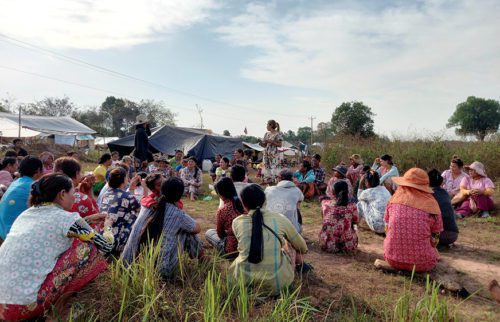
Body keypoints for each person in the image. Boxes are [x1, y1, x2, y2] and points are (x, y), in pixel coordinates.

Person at [0, 173, 113, 321]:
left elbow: (54, 230)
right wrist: (108, 228)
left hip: (3, 303)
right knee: (88, 249)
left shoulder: (27, 214)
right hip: (22, 306)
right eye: (73, 192)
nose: (75, 196)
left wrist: (88, 220)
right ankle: (60, 312)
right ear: (62, 194)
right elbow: (106, 246)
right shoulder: (68, 218)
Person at [229, 184, 308, 295]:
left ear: (243, 203)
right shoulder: (280, 219)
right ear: (265, 200)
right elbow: (302, 248)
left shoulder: (237, 222)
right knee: (289, 244)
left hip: (242, 284)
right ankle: (298, 270)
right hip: (278, 286)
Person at [121, 177, 203, 278]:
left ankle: (203, 258)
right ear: (180, 195)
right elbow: (197, 229)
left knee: (182, 228)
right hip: (160, 273)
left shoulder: (146, 205)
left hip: (129, 264)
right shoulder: (178, 214)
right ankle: (203, 259)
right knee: (187, 232)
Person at [383, 168, 443, 272]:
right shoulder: (432, 205)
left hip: (392, 259)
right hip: (423, 264)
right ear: (425, 185)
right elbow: (435, 239)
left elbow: (387, 228)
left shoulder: (393, 200)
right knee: (434, 251)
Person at [0, 156, 43, 240]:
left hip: (2, 229)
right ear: (38, 170)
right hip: (11, 235)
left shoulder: (17, 182)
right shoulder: (32, 187)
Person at [100, 168, 141, 253]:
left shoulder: (106, 194)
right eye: (127, 177)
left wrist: (131, 188)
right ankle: (127, 245)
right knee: (136, 213)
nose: (128, 179)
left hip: (104, 234)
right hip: (117, 239)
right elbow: (139, 209)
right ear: (123, 180)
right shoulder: (128, 196)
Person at [54, 157, 104, 223]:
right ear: (77, 173)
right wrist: (89, 192)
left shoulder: (49, 192)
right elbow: (98, 218)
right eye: (80, 173)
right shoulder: (81, 198)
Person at [205, 177, 244, 259]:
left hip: (231, 250)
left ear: (220, 194)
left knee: (209, 233)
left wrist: (229, 233)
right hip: (246, 247)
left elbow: (220, 234)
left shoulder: (223, 210)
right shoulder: (244, 204)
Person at [319, 181, 359, 253]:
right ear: (347, 191)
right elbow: (355, 221)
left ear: (333, 192)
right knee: (354, 227)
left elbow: (324, 219)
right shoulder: (352, 206)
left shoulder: (324, 203)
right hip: (348, 246)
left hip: (327, 244)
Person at [265, 169, 304, 233]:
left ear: (279, 179)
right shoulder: (297, 190)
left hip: (270, 227)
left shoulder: (268, 189)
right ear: (292, 179)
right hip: (289, 230)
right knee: (296, 209)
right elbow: (299, 202)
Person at [428, 169, 459, 246]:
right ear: (441, 182)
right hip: (453, 235)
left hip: (439, 236)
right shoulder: (445, 193)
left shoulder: (429, 195)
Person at [356, 170, 391, 234]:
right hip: (388, 225)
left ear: (367, 182)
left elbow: (359, 197)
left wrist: (360, 183)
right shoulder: (384, 189)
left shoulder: (367, 192)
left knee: (360, 204)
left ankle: (356, 224)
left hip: (378, 227)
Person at [260, 119, 283, 184]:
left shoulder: (278, 133)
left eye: (267, 125)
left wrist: (271, 141)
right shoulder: (266, 134)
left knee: (274, 166)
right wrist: (261, 143)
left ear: (271, 125)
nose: (266, 126)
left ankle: (274, 180)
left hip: (273, 154)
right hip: (266, 153)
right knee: (266, 166)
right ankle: (267, 180)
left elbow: (280, 145)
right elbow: (264, 145)